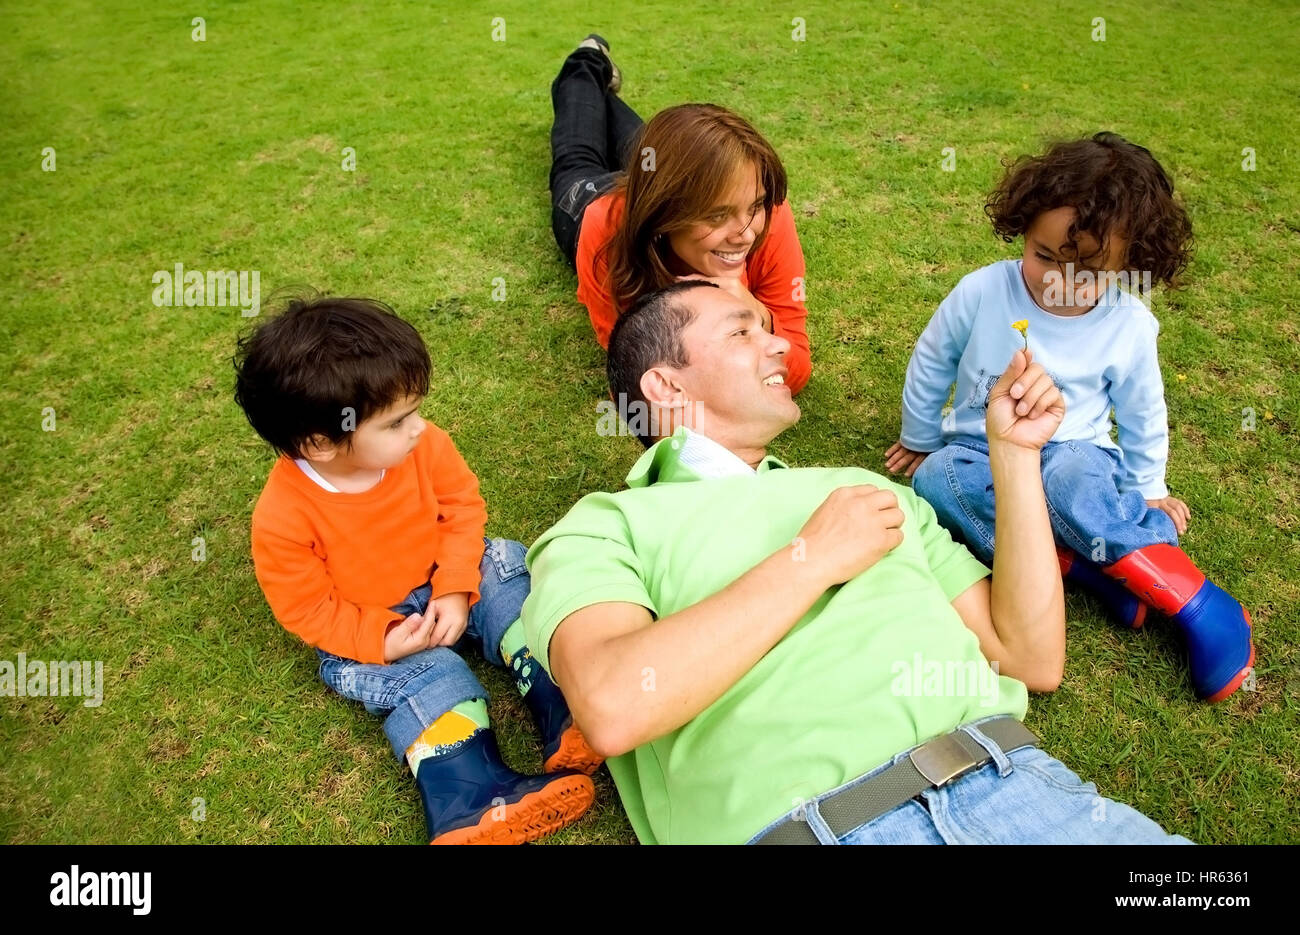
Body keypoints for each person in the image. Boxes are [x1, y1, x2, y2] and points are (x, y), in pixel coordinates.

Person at [519, 280, 1192, 844]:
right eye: (742, 332)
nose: (779, 342)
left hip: (1030, 794)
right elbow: (611, 702)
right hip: (815, 828)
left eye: (770, 326)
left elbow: (1030, 656)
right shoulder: (605, 525)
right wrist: (811, 560)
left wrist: (1013, 456)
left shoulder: (864, 487)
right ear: (664, 385)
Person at [885, 132, 1254, 703]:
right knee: (936, 480)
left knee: (1070, 484)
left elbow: (1141, 412)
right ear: (1024, 231)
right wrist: (920, 435)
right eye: (1043, 256)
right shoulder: (983, 290)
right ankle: (1090, 570)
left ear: (1129, 264)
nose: (1057, 280)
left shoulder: (1128, 324)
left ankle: (1196, 602)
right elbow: (933, 358)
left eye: (1084, 271)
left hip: (1070, 450)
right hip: (978, 450)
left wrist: (1147, 486)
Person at [232, 294, 601, 844]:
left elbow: (462, 508)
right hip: (372, 621)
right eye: (397, 421)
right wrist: (385, 641)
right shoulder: (283, 517)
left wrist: (455, 587)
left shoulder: (422, 447)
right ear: (321, 443)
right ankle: (470, 796)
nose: (418, 428)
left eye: (416, 411)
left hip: (442, 575)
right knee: (432, 674)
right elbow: (308, 609)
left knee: (502, 566)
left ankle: (566, 704)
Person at [547, 34, 813, 393]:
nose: (746, 233)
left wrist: (757, 314)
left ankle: (602, 90)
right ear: (664, 217)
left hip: (663, 170)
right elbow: (631, 369)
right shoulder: (605, 229)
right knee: (577, 154)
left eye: (754, 207)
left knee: (648, 147)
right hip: (592, 200)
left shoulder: (767, 208)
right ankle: (587, 59)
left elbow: (796, 370)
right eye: (718, 216)